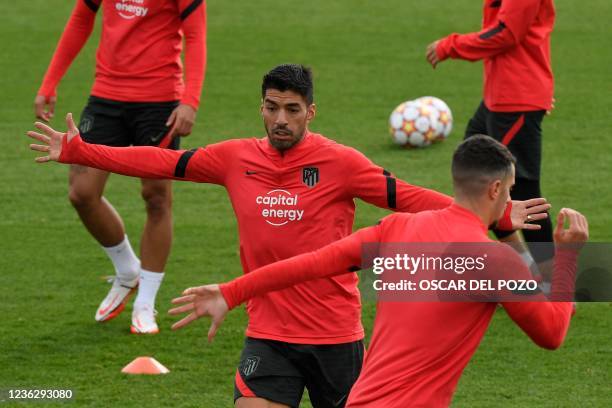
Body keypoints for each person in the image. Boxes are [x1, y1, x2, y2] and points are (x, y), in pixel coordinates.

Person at [27, 65, 547, 408]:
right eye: (272, 107)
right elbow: (163, 160)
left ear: (310, 112)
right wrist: (82, 151)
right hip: (267, 335)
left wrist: (495, 214)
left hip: (337, 339)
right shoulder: (234, 158)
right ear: (262, 107)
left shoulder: (341, 163)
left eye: (292, 109)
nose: (281, 119)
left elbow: (409, 196)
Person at [167, 135, 588, 408]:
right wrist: (567, 257)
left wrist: (231, 292)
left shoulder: (397, 228)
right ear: (496, 189)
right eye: (510, 190)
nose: (510, 199)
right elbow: (551, 333)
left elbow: (308, 264)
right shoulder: (492, 260)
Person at [34, 0, 207, 334]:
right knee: (82, 192)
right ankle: (127, 269)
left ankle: (146, 301)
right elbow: (82, 18)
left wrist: (190, 100)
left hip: (159, 101)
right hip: (106, 95)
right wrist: (49, 82)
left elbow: (196, 36)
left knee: (155, 196)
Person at [425, 0, 556, 270]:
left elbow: (506, 33)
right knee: (476, 180)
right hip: (499, 97)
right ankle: (522, 266)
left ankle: (554, 283)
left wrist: (450, 45)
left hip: (515, 99)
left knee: (520, 190)